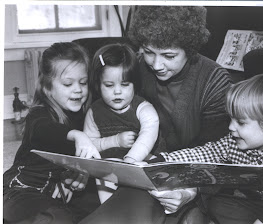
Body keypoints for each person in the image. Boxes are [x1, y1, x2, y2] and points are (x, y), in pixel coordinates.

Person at [80, 6, 232, 224]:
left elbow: (220, 155)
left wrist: (189, 191)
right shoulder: (138, 68)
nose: (157, 65)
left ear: (189, 49)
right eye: (149, 52)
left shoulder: (214, 81)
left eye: (169, 55)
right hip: (141, 169)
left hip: (195, 179)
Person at [158, 74, 263, 224]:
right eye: (230, 119)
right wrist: (164, 160)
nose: (230, 127)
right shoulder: (235, 141)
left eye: (240, 122)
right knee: (216, 202)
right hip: (260, 205)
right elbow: (207, 152)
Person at [3, 42, 101, 223]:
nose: (78, 89)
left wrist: (77, 173)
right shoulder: (38, 115)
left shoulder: (84, 116)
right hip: (21, 190)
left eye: (83, 82)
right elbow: (46, 130)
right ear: (47, 88)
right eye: (68, 83)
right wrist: (77, 135)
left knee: (98, 207)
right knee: (56, 218)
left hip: (56, 192)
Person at [83, 43, 160, 203]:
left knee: (157, 176)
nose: (117, 91)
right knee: (105, 173)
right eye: (109, 85)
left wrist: (130, 160)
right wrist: (115, 141)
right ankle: (111, 210)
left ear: (135, 85)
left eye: (125, 85)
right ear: (98, 85)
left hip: (142, 160)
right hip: (109, 166)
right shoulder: (94, 111)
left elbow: (148, 135)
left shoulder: (143, 108)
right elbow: (89, 145)